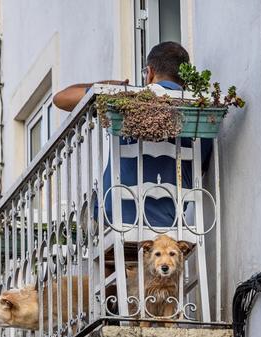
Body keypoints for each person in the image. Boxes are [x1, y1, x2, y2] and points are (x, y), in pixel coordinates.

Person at [53, 41, 212, 228]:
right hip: (171, 225)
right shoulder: (202, 115)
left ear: (150, 72)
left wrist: (109, 87)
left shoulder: (127, 100)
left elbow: (61, 99)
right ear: (184, 79)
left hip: (115, 221)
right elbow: (198, 171)